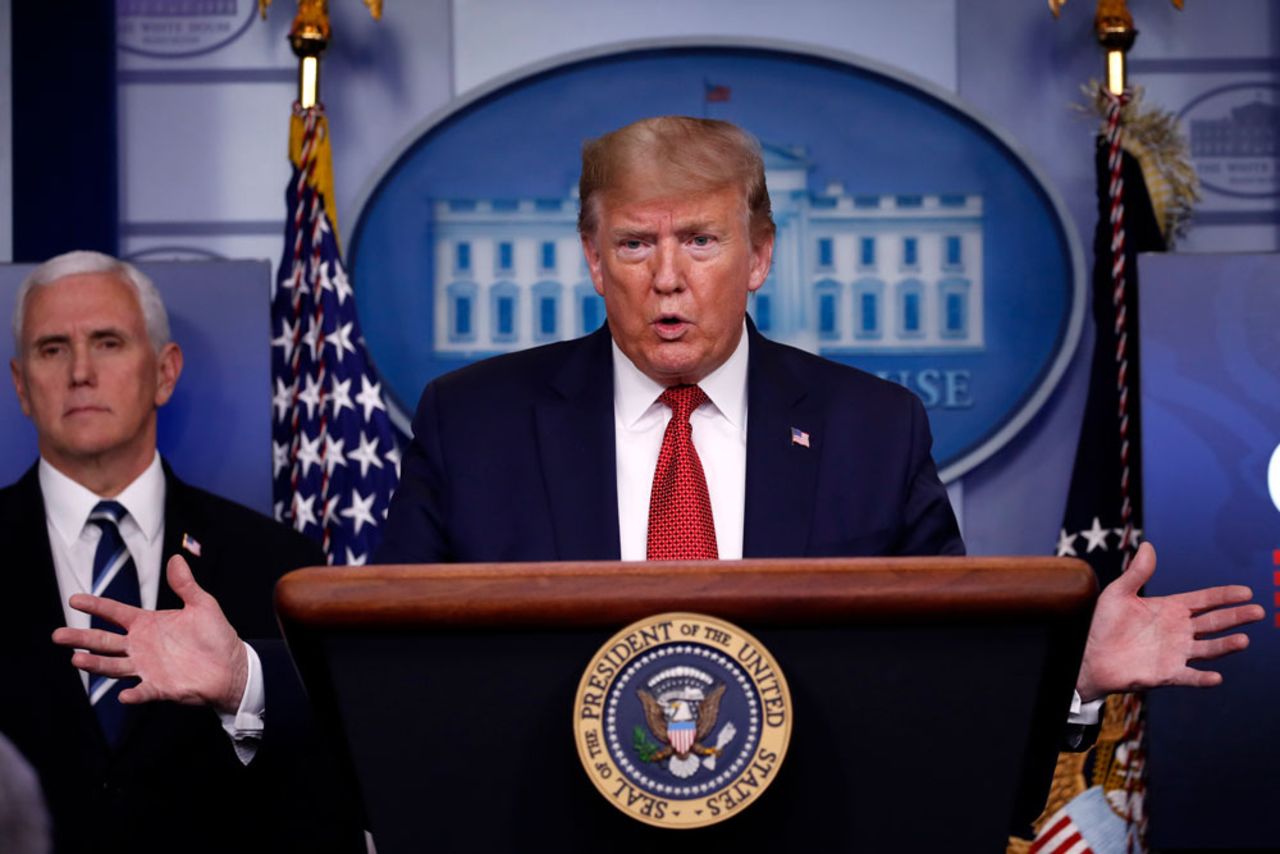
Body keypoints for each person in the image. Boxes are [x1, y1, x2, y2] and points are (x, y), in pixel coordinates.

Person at [376, 115, 1262, 715]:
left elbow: (939, 676)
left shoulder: (871, 430)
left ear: (759, 255)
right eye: (636, 243)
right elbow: (393, 671)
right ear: (592, 259)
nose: (668, 277)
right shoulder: (475, 423)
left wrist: (1072, 674)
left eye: (702, 240)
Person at [0, 251, 362, 852]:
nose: (80, 371)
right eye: (52, 348)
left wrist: (243, 688)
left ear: (165, 372)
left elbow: (334, 785)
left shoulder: (280, 565)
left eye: (108, 342)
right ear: (21, 385)